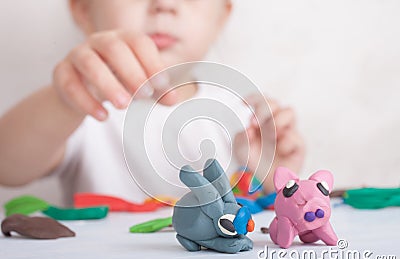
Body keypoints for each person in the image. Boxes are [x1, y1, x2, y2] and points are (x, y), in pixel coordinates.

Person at [0, 0, 305, 204]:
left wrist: (272, 176)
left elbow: (269, 216)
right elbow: (6, 167)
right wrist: (65, 102)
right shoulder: (81, 109)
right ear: (83, 10)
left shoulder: (245, 116)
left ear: (221, 16)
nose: (164, 5)